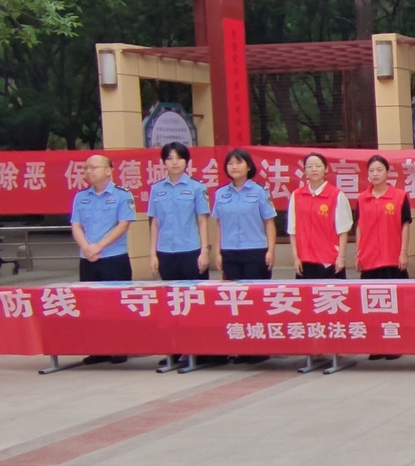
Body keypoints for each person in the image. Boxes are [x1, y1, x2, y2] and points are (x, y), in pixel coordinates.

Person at [71, 154, 136, 365]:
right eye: (86, 168)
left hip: (113, 258)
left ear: (108, 171)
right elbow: (76, 225)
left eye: (94, 167)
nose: (89, 171)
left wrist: (98, 246)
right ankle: (99, 349)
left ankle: (120, 347)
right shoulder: (81, 197)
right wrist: (86, 247)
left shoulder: (122, 195)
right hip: (88, 259)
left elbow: (123, 225)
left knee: (116, 305)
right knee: (91, 306)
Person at [147, 142, 211, 281]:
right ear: (163, 162)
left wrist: (205, 250)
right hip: (165, 251)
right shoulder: (156, 189)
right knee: (171, 292)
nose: (174, 162)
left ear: (186, 161)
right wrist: (153, 254)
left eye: (179, 158)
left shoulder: (197, 187)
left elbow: (202, 221)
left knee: (194, 291)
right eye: (170, 158)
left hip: (191, 250)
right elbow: (155, 223)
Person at [212, 148, 277, 281]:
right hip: (229, 251)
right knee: (233, 291)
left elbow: (269, 222)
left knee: (255, 291)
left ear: (248, 166)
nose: (234, 167)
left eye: (239, 162)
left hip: (256, 250)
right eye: (230, 163)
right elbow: (219, 224)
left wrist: (270, 251)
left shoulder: (260, 191)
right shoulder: (220, 193)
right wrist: (217, 252)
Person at [287, 153, 353, 279]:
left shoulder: (336, 195)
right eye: (309, 166)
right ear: (304, 170)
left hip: (329, 260)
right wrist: (295, 257)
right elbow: (292, 230)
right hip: (304, 260)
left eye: (318, 166)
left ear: (326, 169)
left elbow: (343, 230)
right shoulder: (297, 195)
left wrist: (341, 257)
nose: (314, 169)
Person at [355, 155, 412, 281]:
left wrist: (403, 252)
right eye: (371, 171)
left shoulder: (400, 196)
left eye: (379, 170)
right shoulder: (362, 198)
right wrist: (358, 254)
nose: (375, 174)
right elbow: (359, 227)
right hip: (368, 259)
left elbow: (405, 226)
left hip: (393, 258)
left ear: (388, 172)